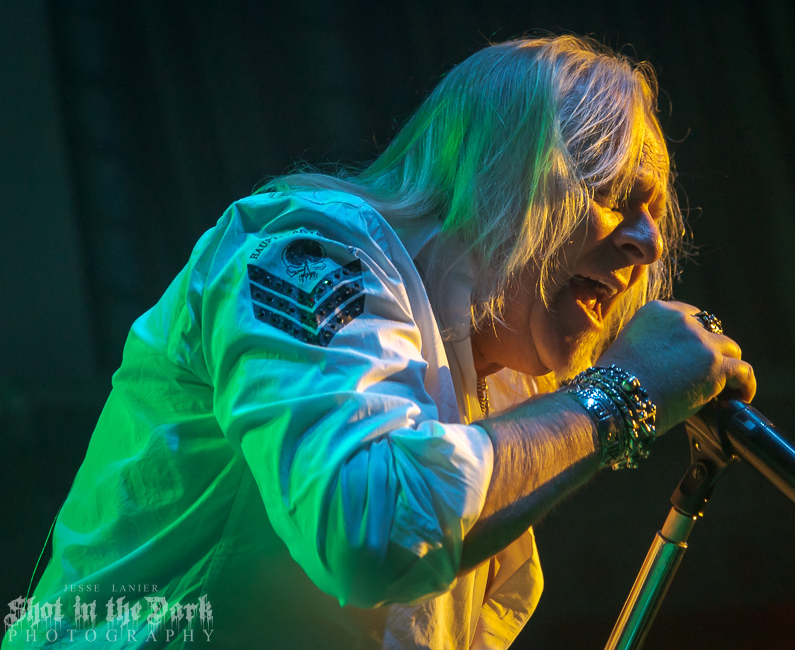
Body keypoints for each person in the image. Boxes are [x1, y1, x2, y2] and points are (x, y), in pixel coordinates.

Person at [2, 35, 754, 648]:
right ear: (498, 177)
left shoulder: (501, 394)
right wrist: (621, 394)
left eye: (656, 215)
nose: (650, 246)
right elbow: (371, 531)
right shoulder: (308, 250)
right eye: (615, 196)